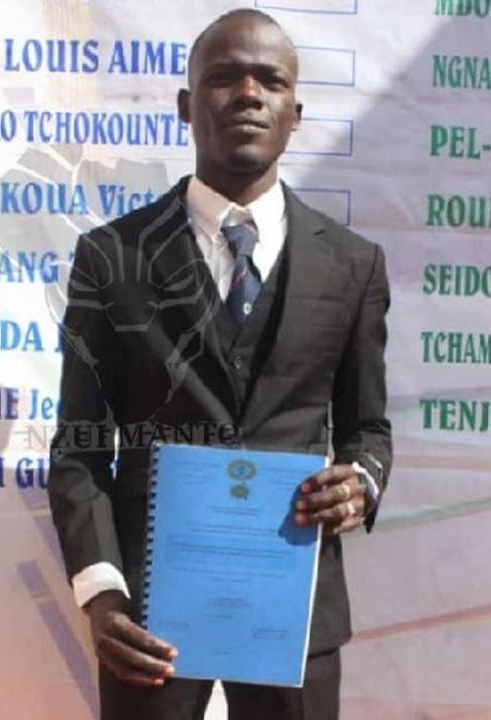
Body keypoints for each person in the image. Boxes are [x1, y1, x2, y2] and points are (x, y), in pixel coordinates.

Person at [48, 9, 392, 719]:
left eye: (270, 80)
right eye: (224, 77)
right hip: (147, 615)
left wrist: (360, 482)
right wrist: (102, 593)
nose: (248, 94)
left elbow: (368, 429)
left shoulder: (354, 266)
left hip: (293, 611)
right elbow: (80, 448)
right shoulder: (110, 258)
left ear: (296, 114)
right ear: (186, 105)